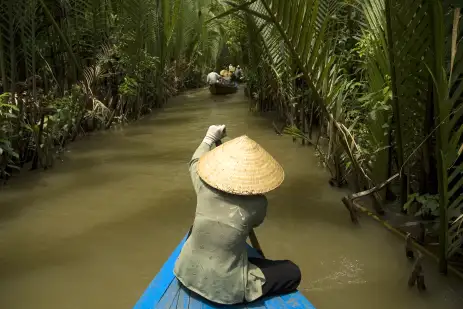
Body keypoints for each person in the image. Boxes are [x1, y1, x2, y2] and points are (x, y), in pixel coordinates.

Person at [174, 125, 301, 305]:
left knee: (196, 228)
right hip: (224, 289)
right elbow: (255, 222)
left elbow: (195, 161)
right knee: (292, 272)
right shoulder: (258, 204)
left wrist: (209, 137)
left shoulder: (203, 186)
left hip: (184, 270)